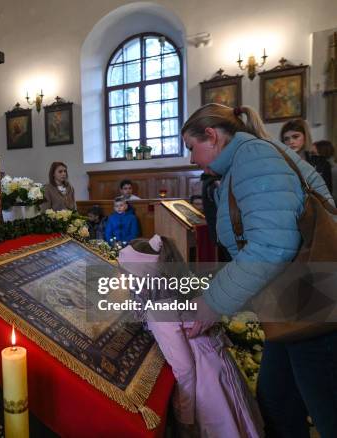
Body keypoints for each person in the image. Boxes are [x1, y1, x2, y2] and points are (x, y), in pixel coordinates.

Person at [182, 103, 336, 437]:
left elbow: (271, 246)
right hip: (294, 303)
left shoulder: (253, 158)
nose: (191, 159)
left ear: (211, 136)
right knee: (278, 401)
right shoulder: (244, 161)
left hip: (314, 303)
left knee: (326, 410)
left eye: (192, 148)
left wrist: (212, 303)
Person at [119, 235, 263, 437]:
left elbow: (184, 368)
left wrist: (184, 413)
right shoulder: (174, 284)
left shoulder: (157, 307)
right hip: (218, 366)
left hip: (205, 380)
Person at [280, 119, 332, 192]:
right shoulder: (280, 163)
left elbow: (327, 193)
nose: (291, 142)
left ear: (305, 137)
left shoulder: (321, 163)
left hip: (316, 201)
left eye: (295, 136)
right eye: (286, 139)